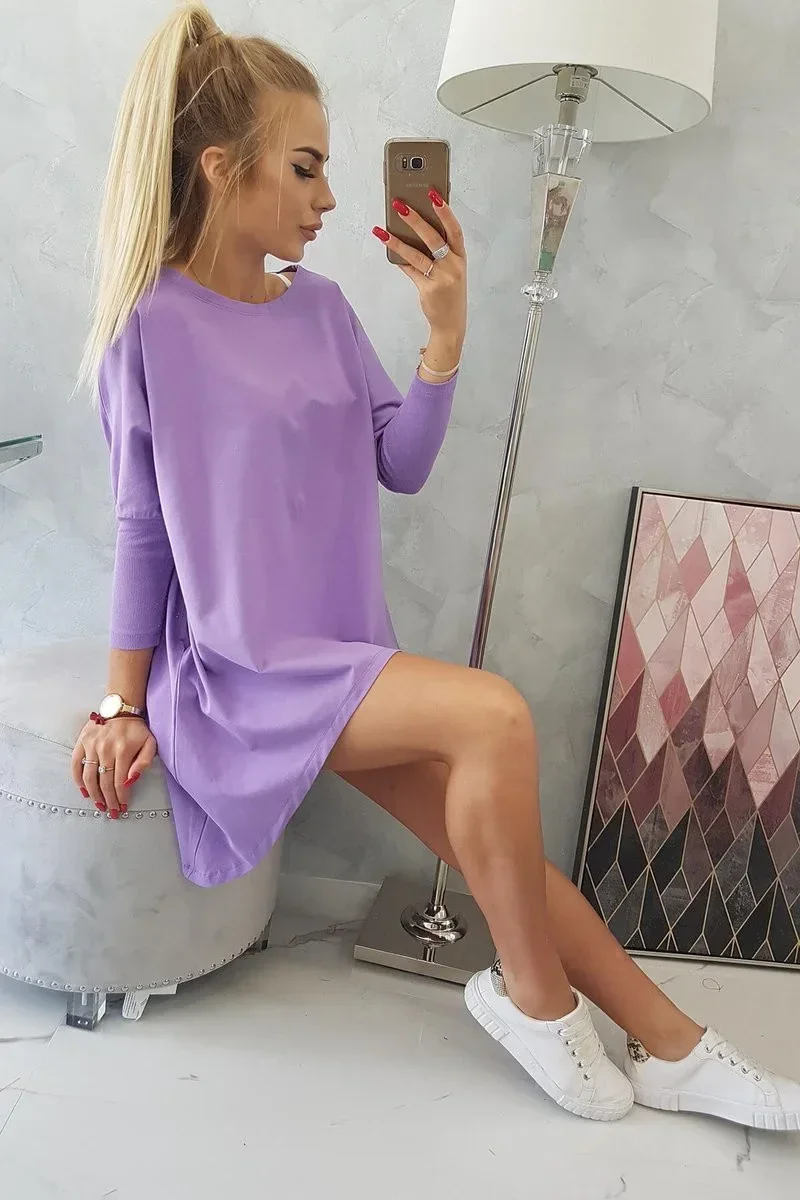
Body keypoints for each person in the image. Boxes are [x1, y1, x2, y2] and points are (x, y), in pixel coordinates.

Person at [72, 3, 800, 1129]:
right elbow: (142, 529)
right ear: (219, 168)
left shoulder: (319, 309)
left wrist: (444, 338)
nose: (328, 197)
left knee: (493, 845)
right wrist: (121, 702)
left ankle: (673, 1047)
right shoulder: (147, 328)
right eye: (305, 167)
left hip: (343, 659)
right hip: (240, 675)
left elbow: (400, 465)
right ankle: (535, 1004)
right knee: (494, 716)